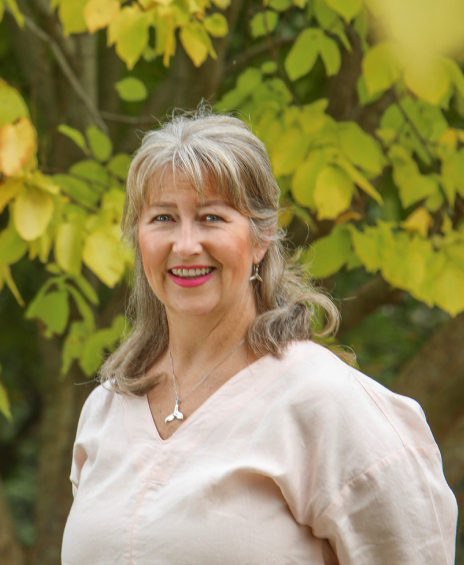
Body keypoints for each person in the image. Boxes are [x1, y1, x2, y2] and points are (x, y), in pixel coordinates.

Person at [61, 111, 457, 565]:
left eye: (211, 217)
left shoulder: (325, 402)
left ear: (262, 236)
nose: (186, 244)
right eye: (164, 218)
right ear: (139, 238)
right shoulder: (107, 409)